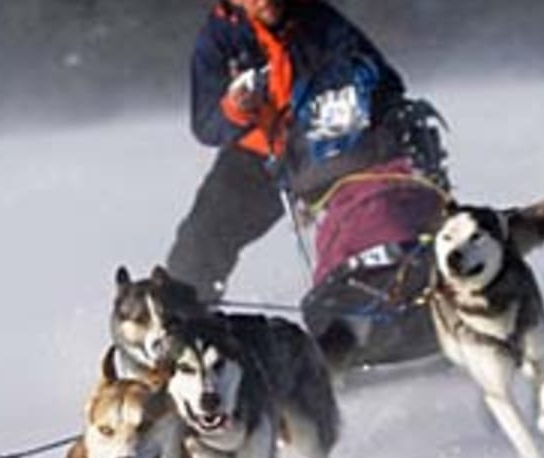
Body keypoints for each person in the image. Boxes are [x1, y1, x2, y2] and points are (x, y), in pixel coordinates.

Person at [167, 0, 449, 371]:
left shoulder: (316, 19)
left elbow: (381, 77)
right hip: (259, 154)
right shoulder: (218, 40)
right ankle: (184, 340)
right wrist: (235, 108)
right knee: (201, 241)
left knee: (378, 213)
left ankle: (415, 299)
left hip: (332, 149)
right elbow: (206, 125)